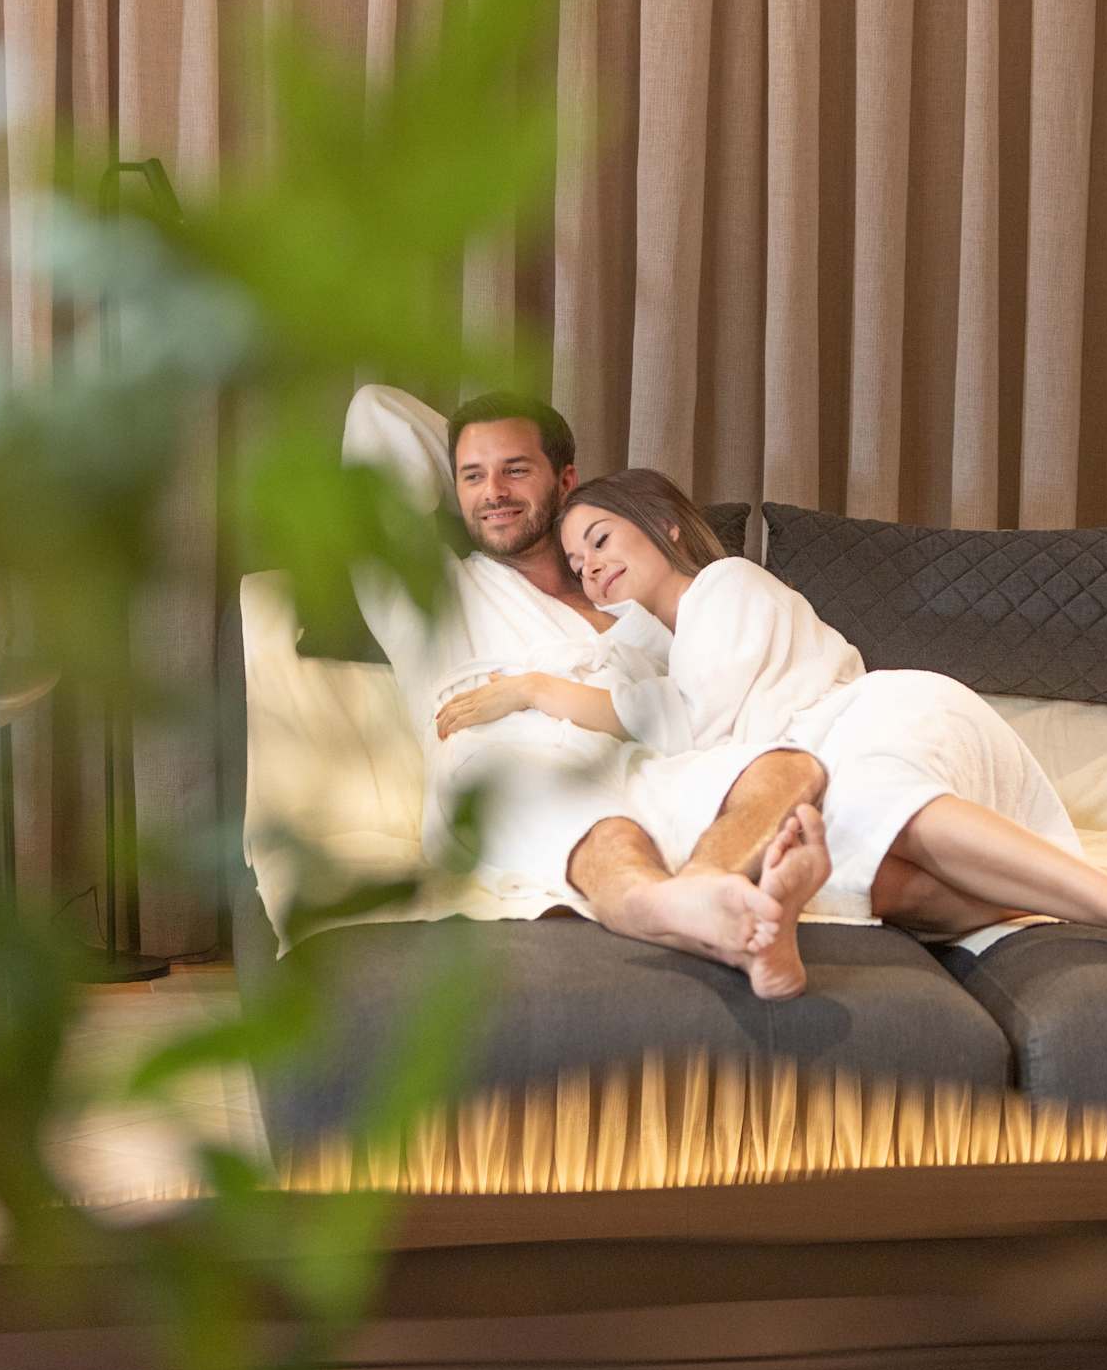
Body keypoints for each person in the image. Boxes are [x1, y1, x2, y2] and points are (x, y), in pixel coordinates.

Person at [439, 467, 1107, 983]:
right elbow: (641, 702)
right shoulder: (660, 644)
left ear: (665, 525)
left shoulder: (724, 587)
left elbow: (685, 728)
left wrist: (534, 689)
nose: (589, 567)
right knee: (890, 891)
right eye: (575, 560)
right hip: (825, 770)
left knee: (871, 800)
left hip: (878, 718)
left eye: (601, 540)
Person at [342, 387, 834, 998]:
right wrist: (482, 454)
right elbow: (376, 416)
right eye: (472, 476)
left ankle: (710, 898)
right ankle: (676, 907)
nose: (493, 492)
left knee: (789, 767)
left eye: (516, 470)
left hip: (649, 767)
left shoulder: (636, 607)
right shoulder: (430, 592)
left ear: (566, 480)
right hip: (515, 762)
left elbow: (704, 712)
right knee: (608, 829)